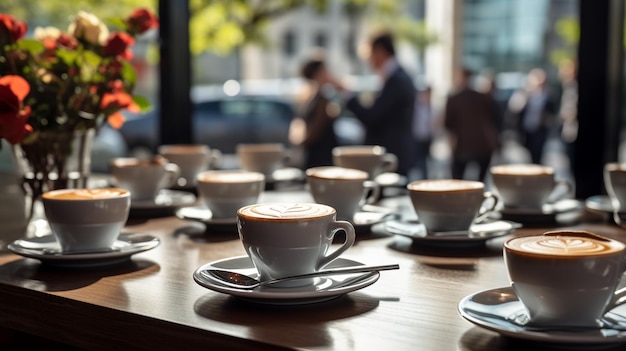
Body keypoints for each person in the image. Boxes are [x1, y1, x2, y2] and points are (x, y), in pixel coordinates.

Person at [341, 31, 416, 177]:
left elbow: (373, 116)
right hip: (393, 157)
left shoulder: (397, 80)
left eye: (369, 55)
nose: (369, 61)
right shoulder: (396, 78)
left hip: (392, 160)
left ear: (380, 51)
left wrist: (349, 96)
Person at [444, 67, 500, 181]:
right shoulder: (484, 98)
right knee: (480, 181)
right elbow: (496, 121)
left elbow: (448, 124)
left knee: (458, 181)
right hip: (482, 146)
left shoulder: (454, 99)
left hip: (463, 146)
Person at [291, 55, 341, 169]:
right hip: (321, 153)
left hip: (312, 152)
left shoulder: (307, 95)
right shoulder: (321, 97)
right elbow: (317, 126)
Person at [506, 67, 558, 164]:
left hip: (540, 130)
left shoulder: (549, 97)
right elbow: (513, 111)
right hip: (524, 130)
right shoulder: (524, 94)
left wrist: (547, 119)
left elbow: (553, 115)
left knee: (537, 155)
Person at [411, 86, 435, 180]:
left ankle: (425, 177)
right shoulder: (417, 108)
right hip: (418, 139)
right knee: (420, 161)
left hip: (428, 139)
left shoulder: (432, 108)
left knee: (425, 160)